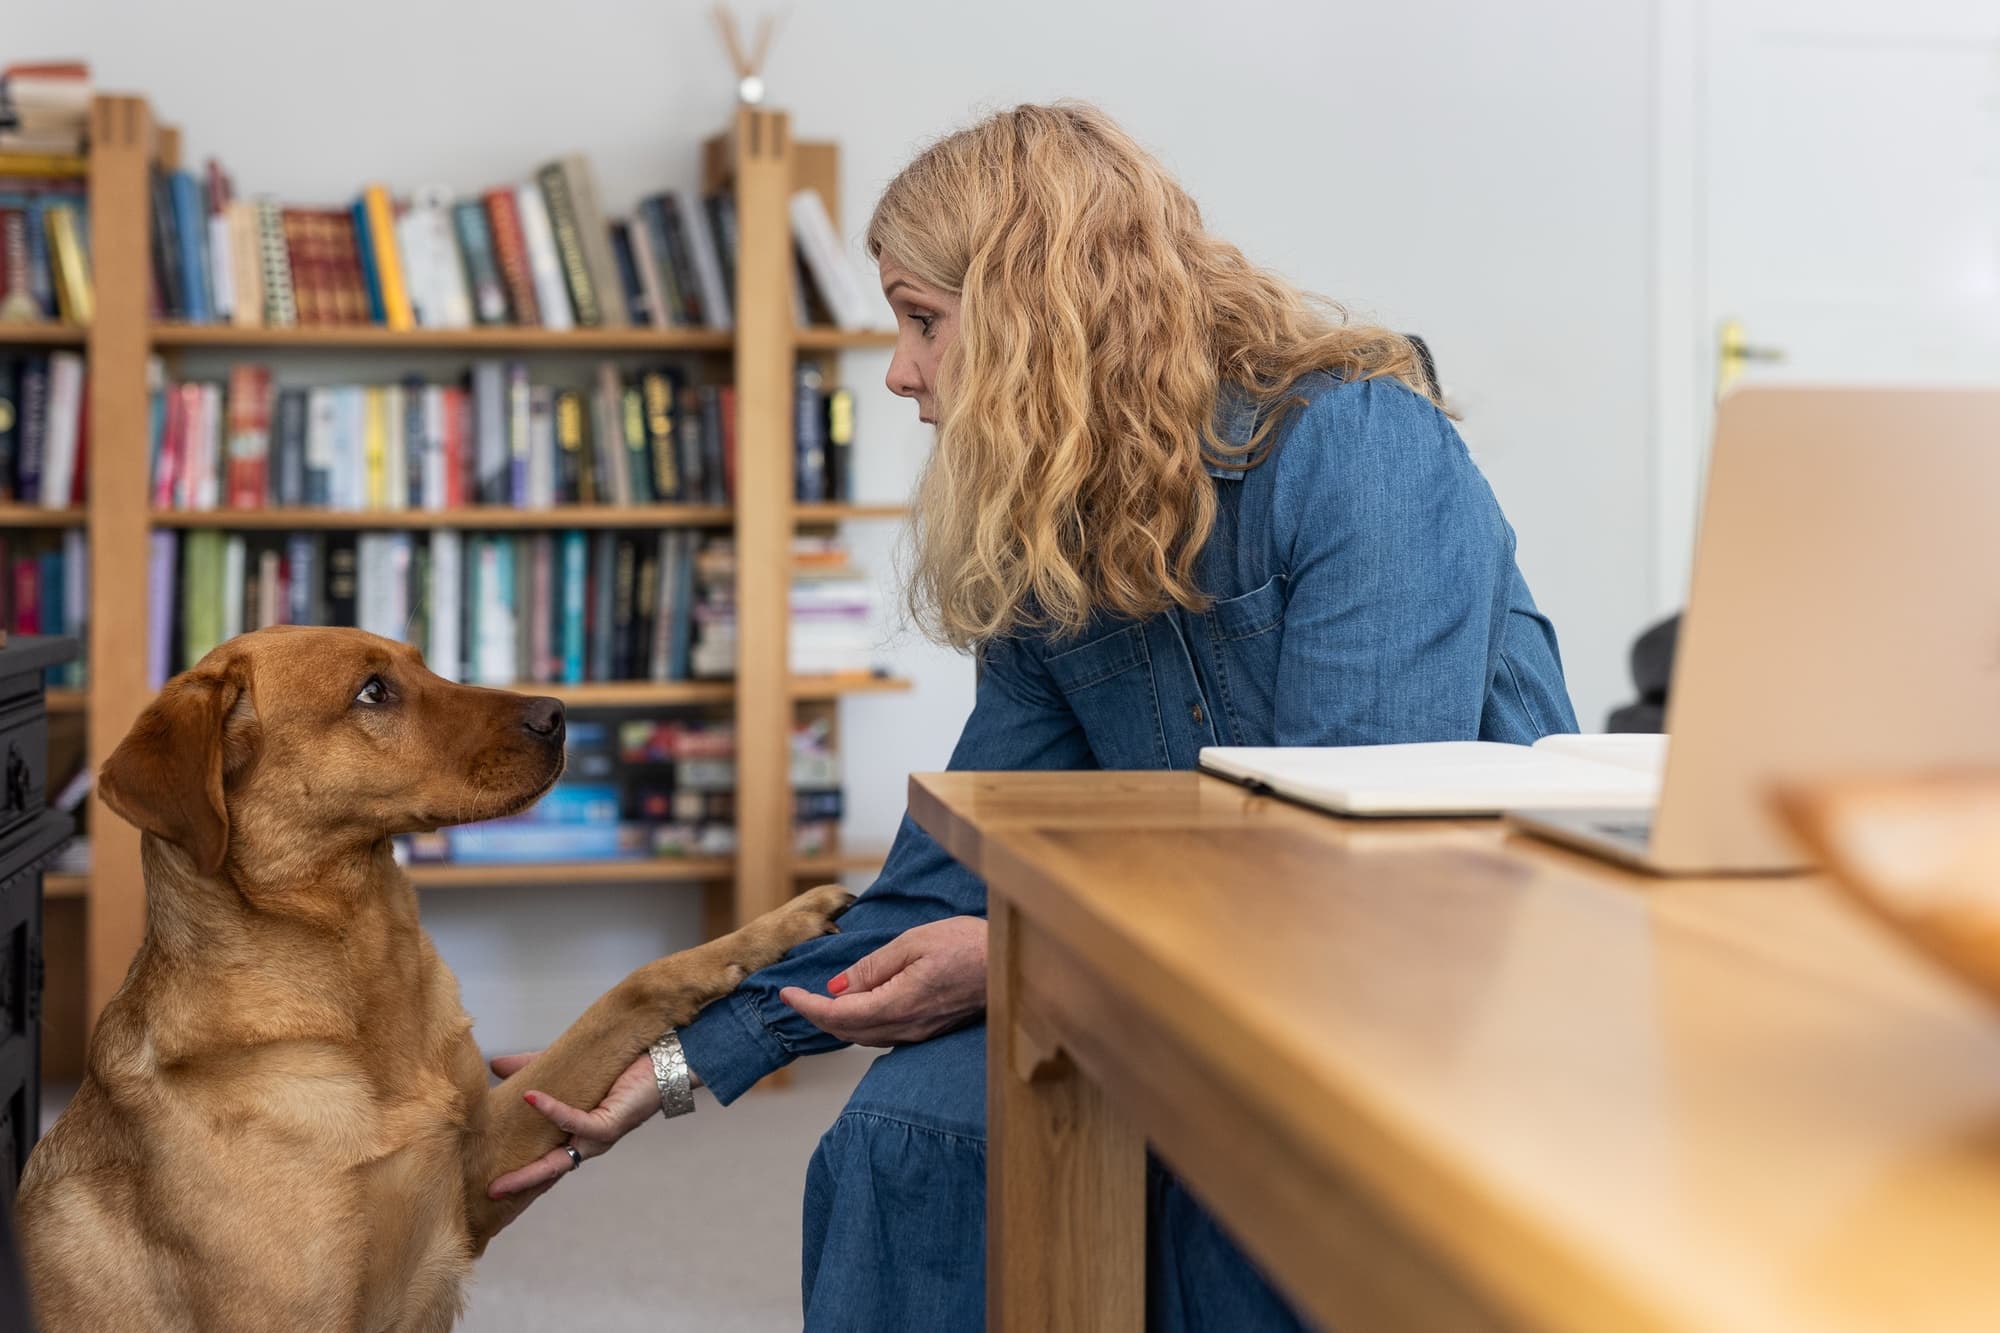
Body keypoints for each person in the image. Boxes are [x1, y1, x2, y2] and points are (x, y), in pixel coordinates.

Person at [490, 100, 1578, 1330]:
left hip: (1412, 982)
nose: (898, 371)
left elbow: (1339, 880)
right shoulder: (1050, 542)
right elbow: (948, 877)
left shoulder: (1359, 448)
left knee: (1232, 1207)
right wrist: (668, 1067)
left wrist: (1033, 960)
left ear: (1036, 313)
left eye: (920, 322)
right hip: (1181, 971)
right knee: (915, 1135)